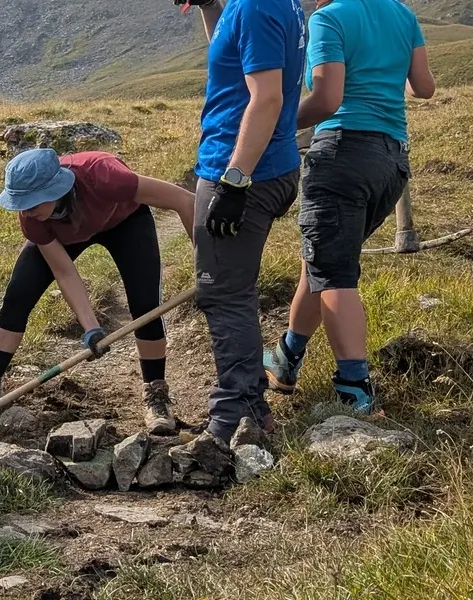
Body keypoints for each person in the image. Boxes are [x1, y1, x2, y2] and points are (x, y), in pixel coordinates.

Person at [264, 0, 434, 414]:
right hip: (391, 163)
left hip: (342, 155)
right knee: (322, 261)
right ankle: (287, 358)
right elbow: (423, 87)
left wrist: (274, 131)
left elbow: (327, 99)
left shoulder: (329, 18)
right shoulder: (402, 15)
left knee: (335, 274)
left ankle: (354, 388)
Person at [0, 149, 202, 435]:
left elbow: (185, 201)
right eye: (20, 204)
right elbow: (64, 271)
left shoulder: (106, 176)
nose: (25, 211)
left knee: (145, 305)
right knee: (19, 295)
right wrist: (91, 328)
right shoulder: (33, 218)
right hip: (66, 233)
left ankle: (156, 394)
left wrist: (207, 269)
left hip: (125, 222)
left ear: (56, 188)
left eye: (31, 202)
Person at [182, 0, 306, 444]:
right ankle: (249, 404)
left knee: (223, 295)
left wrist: (234, 182)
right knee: (235, 289)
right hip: (272, 165)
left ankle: (234, 417)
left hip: (241, 171)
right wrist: (211, 8)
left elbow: (267, 97)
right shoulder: (273, 3)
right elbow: (235, 56)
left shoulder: (254, 5)